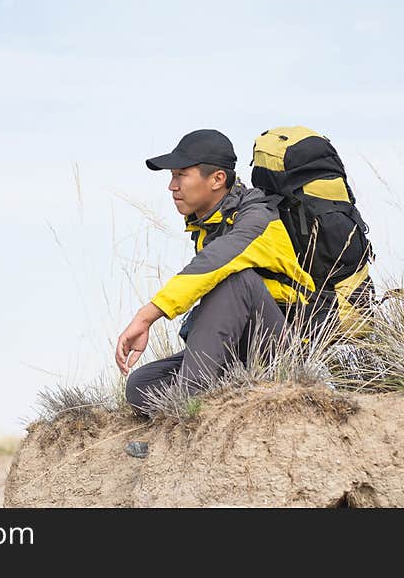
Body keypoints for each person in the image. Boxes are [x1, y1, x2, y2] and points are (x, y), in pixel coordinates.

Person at [115, 129, 317, 417]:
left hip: (281, 351)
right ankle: (207, 404)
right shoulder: (210, 223)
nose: (172, 186)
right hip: (239, 353)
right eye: (171, 177)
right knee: (141, 386)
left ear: (217, 179)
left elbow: (214, 262)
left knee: (236, 279)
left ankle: (189, 410)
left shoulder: (257, 219)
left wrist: (146, 316)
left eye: (181, 175)